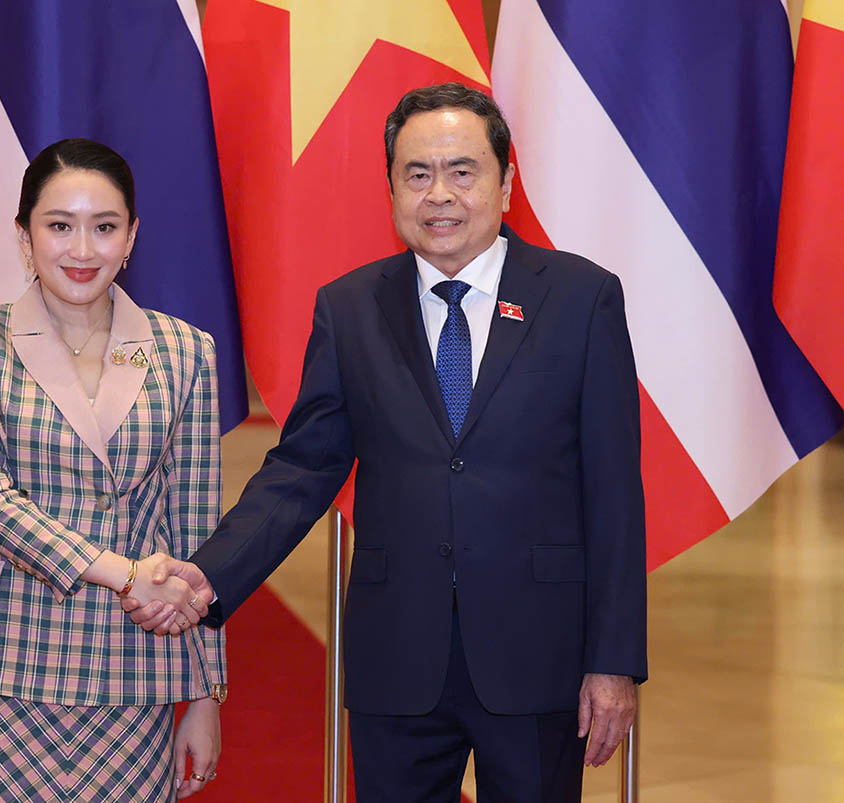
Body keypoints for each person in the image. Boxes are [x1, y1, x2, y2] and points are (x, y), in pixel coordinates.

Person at [127, 84, 647, 802]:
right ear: (392, 187)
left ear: (505, 183)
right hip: (396, 658)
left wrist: (613, 660)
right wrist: (208, 576)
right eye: (417, 173)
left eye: (462, 171)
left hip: (538, 657)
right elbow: (302, 468)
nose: (440, 194)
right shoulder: (350, 307)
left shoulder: (582, 299)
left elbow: (614, 494)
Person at [0, 138, 225, 802]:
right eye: (60, 225)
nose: (82, 249)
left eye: (104, 227)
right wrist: (125, 573)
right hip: (1, 654)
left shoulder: (187, 352)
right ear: (25, 235)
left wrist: (205, 693)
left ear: (131, 236)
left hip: (133, 661)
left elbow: (195, 534)